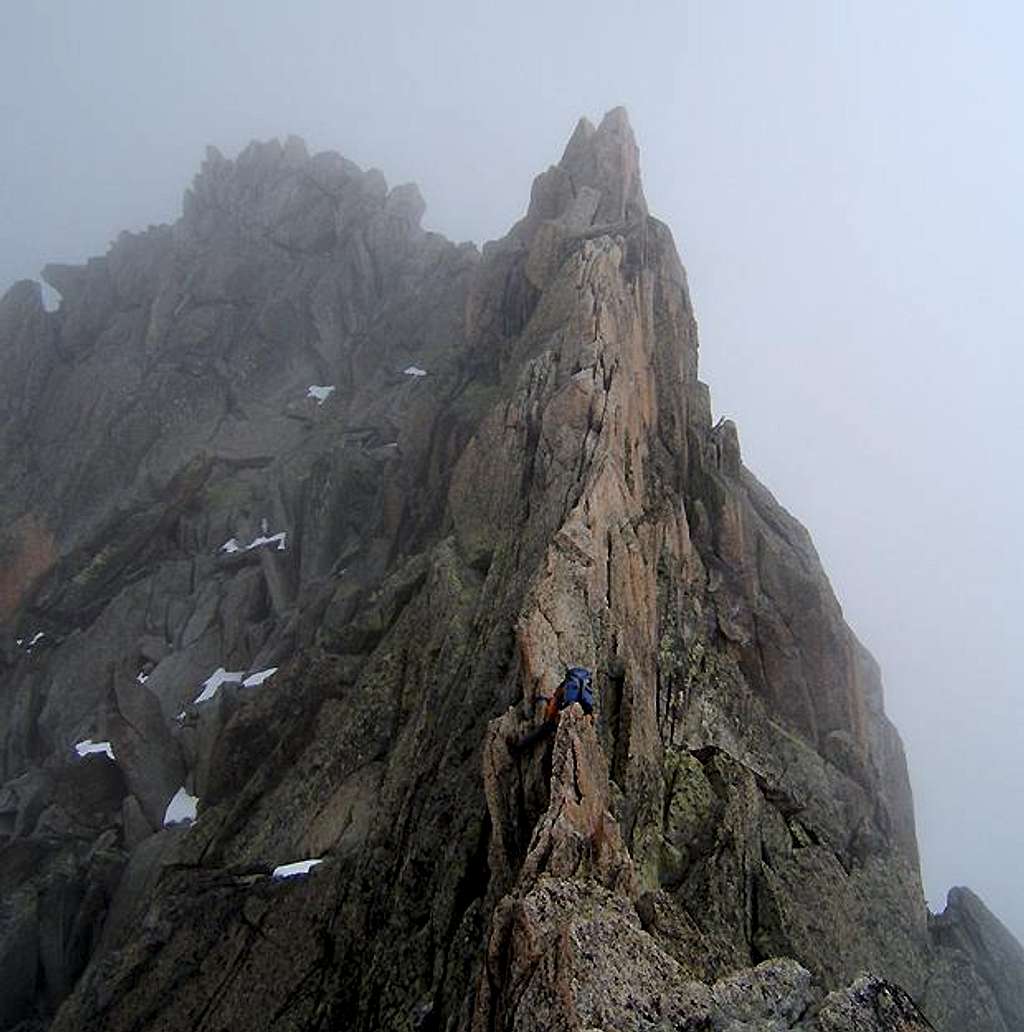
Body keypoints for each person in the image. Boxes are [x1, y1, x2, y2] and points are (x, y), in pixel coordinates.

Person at [509, 666, 594, 754]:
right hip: (579, 719)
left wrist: (550, 715)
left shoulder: (566, 684)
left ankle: (517, 748)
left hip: (562, 717)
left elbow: (556, 699)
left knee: (541, 732)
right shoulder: (584, 687)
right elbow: (589, 708)